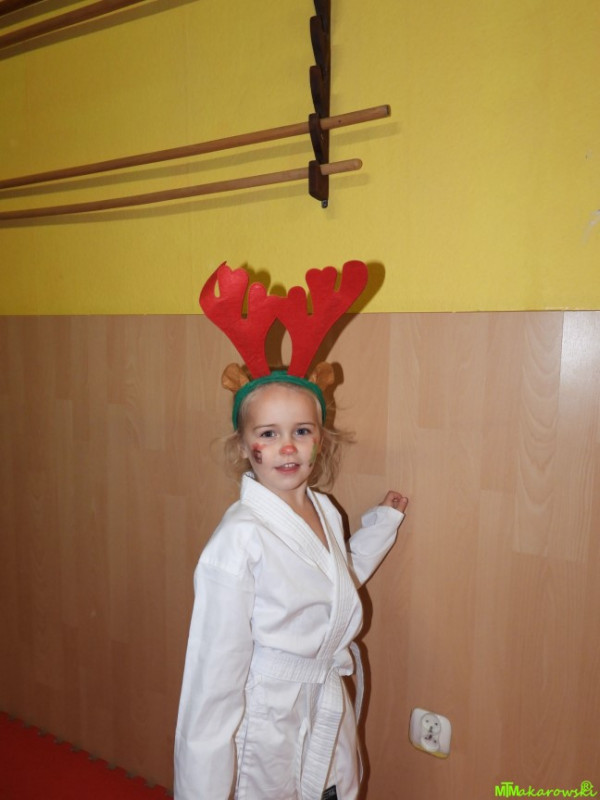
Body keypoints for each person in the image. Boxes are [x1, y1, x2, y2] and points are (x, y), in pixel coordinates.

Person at [174, 373, 408, 800]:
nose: (287, 447)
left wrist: (381, 528)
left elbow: (334, 586)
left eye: (301, 431)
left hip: (323, 698)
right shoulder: (238, 539)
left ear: (321, 440)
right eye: (269, 433)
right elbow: (212, 684)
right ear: (243, 445)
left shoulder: (324, 509)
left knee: (334, 788)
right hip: (271, 716)